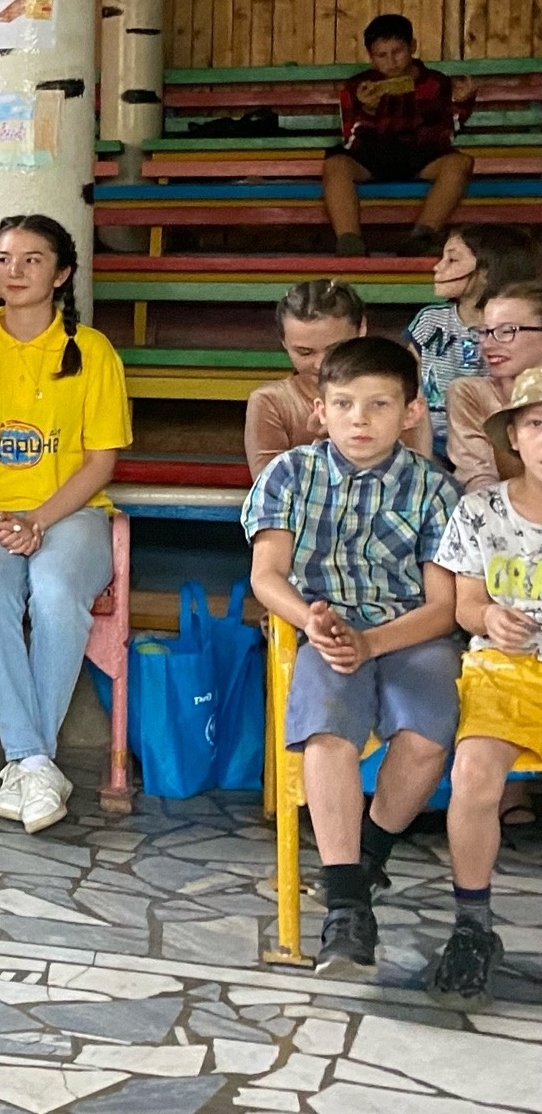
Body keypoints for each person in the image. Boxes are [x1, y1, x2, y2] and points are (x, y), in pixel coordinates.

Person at [241, 334, 460, 977]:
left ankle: (367, 858)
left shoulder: (433, 489)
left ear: (411, 411)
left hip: (411, 634)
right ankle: (346, 909)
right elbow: (266, 575)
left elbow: (443, 608)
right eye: (343, 404)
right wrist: (307, 617)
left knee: (426, 737)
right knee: (329, 733)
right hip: (323, 631)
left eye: (378, 405)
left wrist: (372, 642)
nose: (359, 420)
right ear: (320, 410)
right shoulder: (290, 474)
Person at [0, 216, 131, 834]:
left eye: (32, 259)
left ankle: (26, 762)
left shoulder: (93, 351)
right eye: (3, 259)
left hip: (72, 514)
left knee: (54, 593)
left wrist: (39, 520)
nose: (14, 271)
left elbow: (101, 462)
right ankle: (36, 763)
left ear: (62, 273)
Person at [426, 365, 542, 1009]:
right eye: (537, 424)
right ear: (515, 438)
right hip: (504, 669)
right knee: (473, 777)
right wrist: (491, 617)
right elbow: (466, 605)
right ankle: (472, 925)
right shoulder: (481, 511)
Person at [245, 279, 433, 478]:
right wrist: (326, 442)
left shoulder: (397, 394)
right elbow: (269, 484)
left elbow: (415, 478)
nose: (320, 364)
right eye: (304, 352)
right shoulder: (271, 401)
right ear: (284, 342)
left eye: (336, 349)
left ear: (361, 329)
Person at [325, 14, 476, 258]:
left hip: (420, 154)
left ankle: (422, 237)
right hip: (372, 155)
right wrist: (368, 111)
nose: (391, 62)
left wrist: (462, 102)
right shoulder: (356, 87)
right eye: (381, 55)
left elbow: (447, 132)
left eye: (397, 52)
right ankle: (350, 242)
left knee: (460, 163)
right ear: (371, 56)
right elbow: (350, 141)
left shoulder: (436, 83)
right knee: (335, 164)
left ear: (412, 47)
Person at [414, 227, 541, 461]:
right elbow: (412, 389)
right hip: (434, 443)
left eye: (452, 260)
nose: (437, 267)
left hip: (491, 439)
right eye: (484, 332)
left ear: (486, 271)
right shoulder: (430, 321)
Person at [447, 282, 542, 493]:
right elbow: (477, 479)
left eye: (506, 331)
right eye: (484, 332)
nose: (487, 345)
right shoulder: (471, 393)